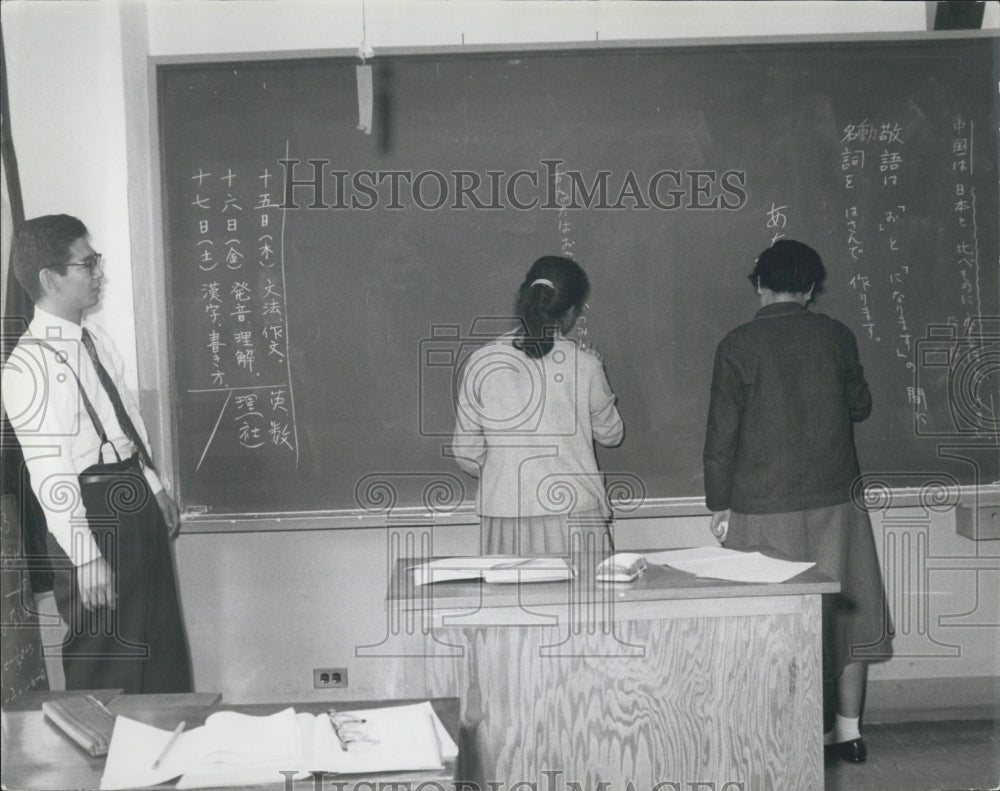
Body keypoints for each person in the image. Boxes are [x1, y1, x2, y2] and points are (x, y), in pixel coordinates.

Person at [703, 239, 891, 764]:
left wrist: (720, 503)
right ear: (810, 288)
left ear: (758, 283)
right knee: (849, 611)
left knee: (767, 620)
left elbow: (721, 436)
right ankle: (848, 733)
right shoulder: (837, 336)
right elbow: (860, 405)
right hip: (837, 500)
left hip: (761, 504)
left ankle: (775, 735)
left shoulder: (736, 345)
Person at [2, 214, 192, 693]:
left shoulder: (95, 339)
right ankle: (107, 766)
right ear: (49, 278)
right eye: (87, 264)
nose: (98, 273)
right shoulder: (29, 366)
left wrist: (154, 487)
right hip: (92, 518)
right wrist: (86, 559)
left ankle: (166, 760)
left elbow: (125, 419)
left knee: (160, 651)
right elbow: (51, 475)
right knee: (108, 663)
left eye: (96, 262)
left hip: (134, 501)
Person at [451, 255, 624, 556]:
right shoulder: (585, 366)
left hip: (504, 516)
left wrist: (507, 470)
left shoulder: (481, 363)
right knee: (582, 602)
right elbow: (611, 435)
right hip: (574, 516)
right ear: (570, 313)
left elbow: (466, 452)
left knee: (511, 603)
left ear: (525, 297)